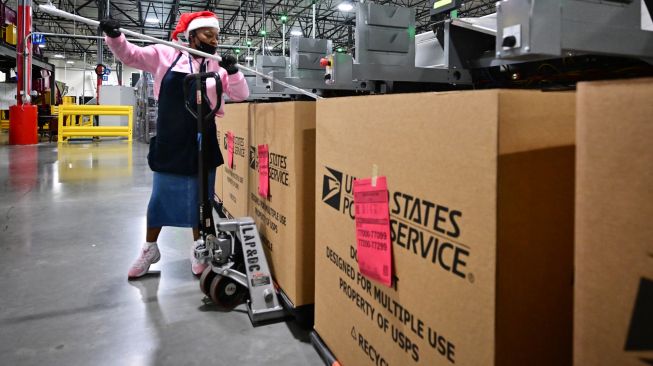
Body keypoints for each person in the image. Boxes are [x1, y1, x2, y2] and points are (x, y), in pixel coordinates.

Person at [99, 11, 250, 279]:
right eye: (207, 35)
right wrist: (115, 36)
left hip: (202, 141)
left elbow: (241, 94)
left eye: (216, 36)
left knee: (201, 201)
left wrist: (233, 71)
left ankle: (199, 247)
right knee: (159, 200)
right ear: (192, 37)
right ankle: (149, 249)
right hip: (170, 140)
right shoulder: (164, 54)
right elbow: (130, 55)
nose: (214, 41)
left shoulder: (215, 66)